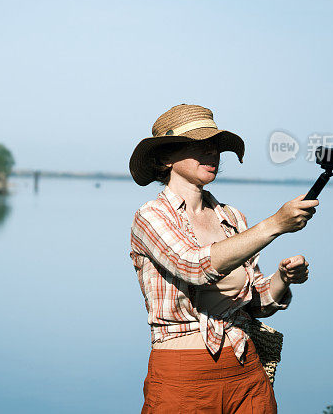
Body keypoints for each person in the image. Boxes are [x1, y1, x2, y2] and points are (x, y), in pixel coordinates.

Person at [129, 104, 318, 414]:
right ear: (165, 158)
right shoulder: (150, 216)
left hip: (247, 373)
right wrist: (274, 225)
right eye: (199, 144)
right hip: (183, 379)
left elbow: (257, 305)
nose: (212, 152)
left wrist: (283, 279)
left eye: (215, 145)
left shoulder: (232, 218)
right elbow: (193, 266)